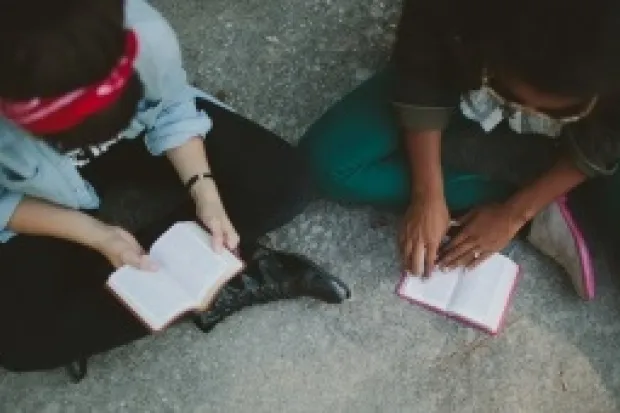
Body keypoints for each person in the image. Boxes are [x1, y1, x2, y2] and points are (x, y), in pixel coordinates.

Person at [0, 0, 350, 377]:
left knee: (283, 183)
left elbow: (171, 107)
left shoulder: (140, 29)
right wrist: (95, 235)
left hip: (139, 139)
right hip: (37, 190)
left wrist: (205, 191)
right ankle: (204, 279)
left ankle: (127, 290)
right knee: (23, 344)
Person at [300, 0, 620, 300]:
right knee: (328, 165)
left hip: (590, 131)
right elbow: (420, 69)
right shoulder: (457, 14)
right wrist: (428, 194)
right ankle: (545, 188)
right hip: (463, 76)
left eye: (559, 111)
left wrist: (515, 214)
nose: (526, 113)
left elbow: (609, 138)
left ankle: (552, 186)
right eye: (510, 94)